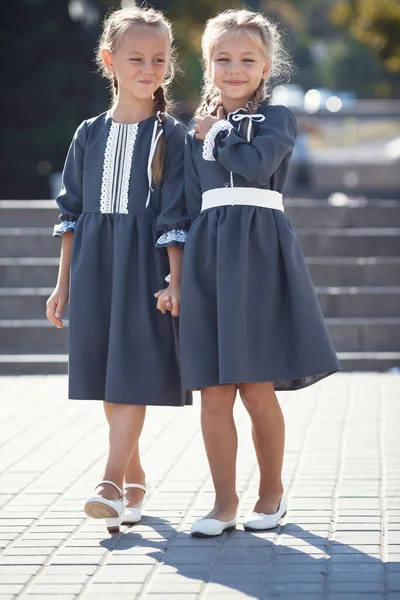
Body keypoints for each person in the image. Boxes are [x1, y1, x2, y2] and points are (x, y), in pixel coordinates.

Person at [176, 9, 340, 537]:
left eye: (247, 59)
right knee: (214, 390)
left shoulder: (278, 119)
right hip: (206, 257)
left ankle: (272, 496)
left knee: (254, 387)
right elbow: (179, 206)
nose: (234, 68)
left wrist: (218, 131)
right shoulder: (191, 131)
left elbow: (254, 166)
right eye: (222, 59)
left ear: (266, 65)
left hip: (260, 253)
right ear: (207, 64)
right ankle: (224, 504)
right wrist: (174, 277)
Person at [46, 6, 191, 533]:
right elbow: (72, 213)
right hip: (93, 266)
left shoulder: (170, 137)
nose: (148, 69)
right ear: (109, 61)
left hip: (145, 268)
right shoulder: (88, 133)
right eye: (136, 58)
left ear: (168, 65)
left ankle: (108, 482)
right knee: (109, 380)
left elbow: (176, 212)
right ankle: (135, 480)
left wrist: (175, 279)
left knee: (131, 373)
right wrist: (62, 283)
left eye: (158, 59)